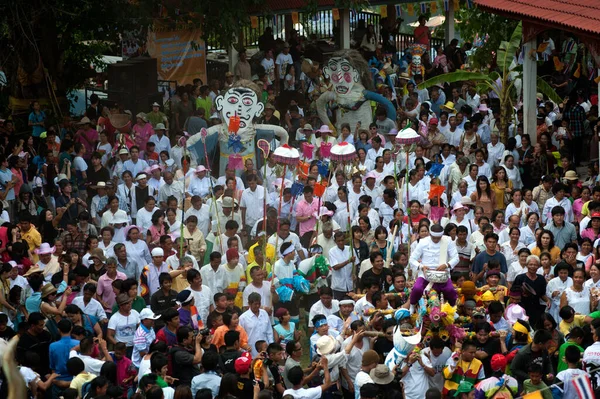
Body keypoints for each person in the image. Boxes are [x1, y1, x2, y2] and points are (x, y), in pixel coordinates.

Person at [409, 224, 459, 308]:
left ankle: (453, 308)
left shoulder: (447, 241)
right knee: (417, 289)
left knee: (450, 290)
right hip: (425, 274)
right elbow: (412, 259)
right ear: (430, 234)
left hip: (442, 274)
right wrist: (421, 266)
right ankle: (412, 306)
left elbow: (456, 258)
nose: (436, 240)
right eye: (434, 238)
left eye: (438, 238)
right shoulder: (423, 242)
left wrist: (447, 265)